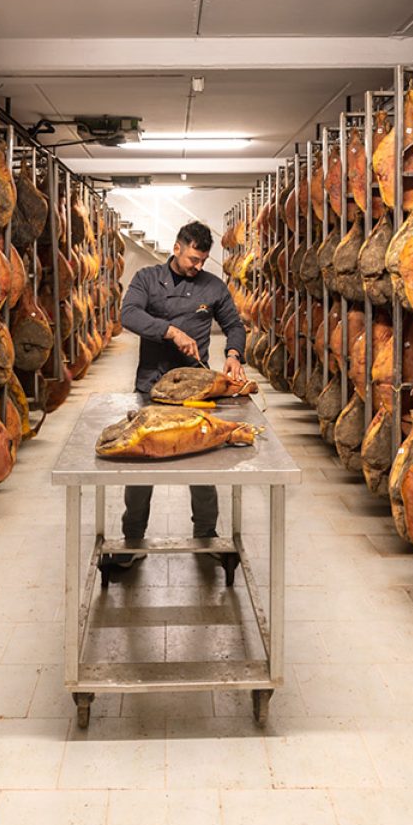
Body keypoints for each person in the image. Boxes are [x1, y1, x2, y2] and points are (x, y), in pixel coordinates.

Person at [108, 220, 247, 568]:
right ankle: (132, 541)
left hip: (197, 390)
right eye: (192, 259)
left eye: (202, 261)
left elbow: (233, 325)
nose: (197, 266)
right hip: (151, 386)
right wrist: (169, 331)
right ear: (177, 248)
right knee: (143, 464)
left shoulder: (213, 287)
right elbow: (129, 315)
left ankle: (205, 536)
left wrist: (233, 354)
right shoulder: (146, 280)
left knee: (203, 464)